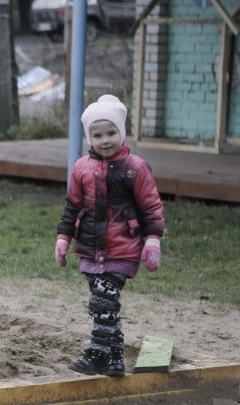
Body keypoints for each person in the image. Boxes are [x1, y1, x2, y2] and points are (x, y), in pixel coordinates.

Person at [55, 94, 165, 377]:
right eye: (97, 135)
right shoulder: (81, 168)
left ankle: (97, 353)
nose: (105, 140)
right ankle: (115, 358)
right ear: (89, 137)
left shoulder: (135, 168)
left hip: (123, 247)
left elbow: (150, 205)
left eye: (111, 133)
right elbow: (73, 206)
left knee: (101, 300)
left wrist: (152, 240)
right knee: (107, 304)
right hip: (91, 248)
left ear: (121, 132)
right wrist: (63, 239)